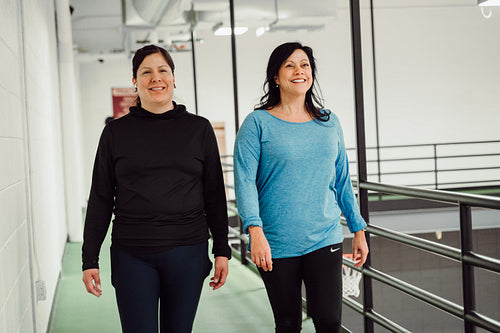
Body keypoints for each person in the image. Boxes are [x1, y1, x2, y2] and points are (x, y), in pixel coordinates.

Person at [82, 44, 231, 333]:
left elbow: (214, 194)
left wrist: (222, 249)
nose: (156, 78)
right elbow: (100, 197)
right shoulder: (115, 132)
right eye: (146, 72)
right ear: (135, 81)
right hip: (132, 253)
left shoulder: (199, 129)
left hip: (188, 251)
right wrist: (90, 258)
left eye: (163, 71)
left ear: (173, 78)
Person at [233, 42, 369, 333]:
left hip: (325, 236)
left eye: (305, 65)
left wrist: (358, 228)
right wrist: (254, 231)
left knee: (329, 322)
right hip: (276, 241)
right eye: (290, 65)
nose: (299, 71)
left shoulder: (329, 122)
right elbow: (244, 181)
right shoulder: (257, 123)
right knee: (287, 322)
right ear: (276, 77)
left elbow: (342, 177)